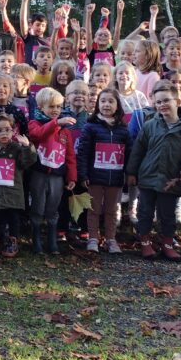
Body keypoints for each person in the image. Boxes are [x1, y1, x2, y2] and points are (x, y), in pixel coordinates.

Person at [126, 80, 181, 261]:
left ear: (178, 101)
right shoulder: (150, 125)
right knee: (145, 211)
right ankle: (145, 242)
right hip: (148, 176)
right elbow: (138, 150)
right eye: (158, 102)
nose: (162, 105)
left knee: (167, 214)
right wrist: (131, 172)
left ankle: (167, 244)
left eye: (166, 100)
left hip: (171, 179)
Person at [78, 88, 129, 254]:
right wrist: (83, 175)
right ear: (97, 104)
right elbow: (83, 153)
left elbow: (129, 154)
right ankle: (93, 238)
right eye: (103, 101)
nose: (107, 104)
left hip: (115, 178)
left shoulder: (123, 130)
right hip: (95, 178)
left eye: (111, 101)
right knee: (94, 209)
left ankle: (110, 239)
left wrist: (128, 174)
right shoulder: (90, 127)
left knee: (111, 210)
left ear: (117, 105)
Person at [28, 87, 78, 254]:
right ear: (41, 107)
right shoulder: (35, 123)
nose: (55, 110)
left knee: (53, 206)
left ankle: (52, 239)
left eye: (58, 106)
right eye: (51, 106)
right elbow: (38, 135)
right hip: (39, 173)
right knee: (38, 205)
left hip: (57, 176)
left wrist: (72, 176)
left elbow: (70, 156)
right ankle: (36, 238)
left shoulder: (65, 132)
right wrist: (56, 123)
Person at [0, 113, 36, 258]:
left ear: (13, 131)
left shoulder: (17, 149)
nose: (4, 133)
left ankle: (13, 242)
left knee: (14, 219)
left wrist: (27, 147)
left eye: (7, 130)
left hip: (14, 192)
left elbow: (27, 162)